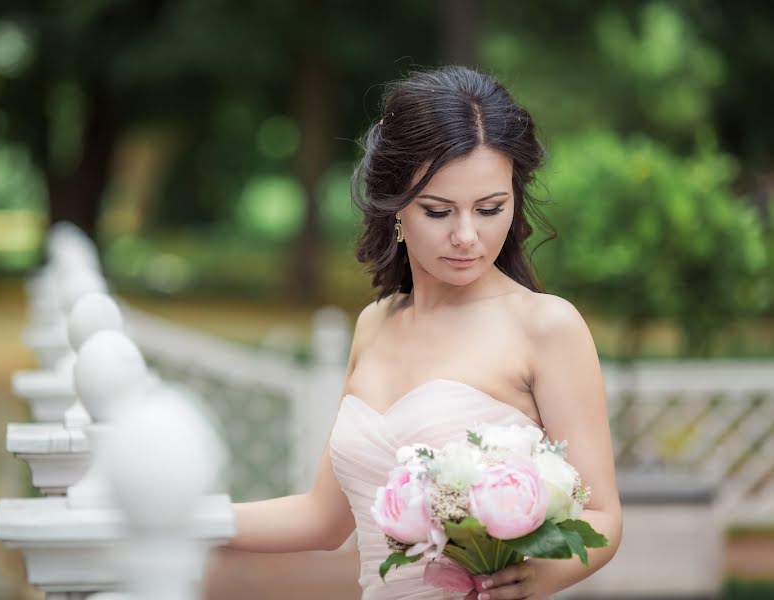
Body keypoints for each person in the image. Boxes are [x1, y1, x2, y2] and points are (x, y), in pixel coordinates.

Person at [222, 65, 622, 600]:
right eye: (438, 211)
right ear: (395, 209)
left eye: (489, 209)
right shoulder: (376, 323)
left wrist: (532, 579)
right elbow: (325, 519)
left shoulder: (545, 326)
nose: (466, 236)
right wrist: (190, 519)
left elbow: (602, 516)